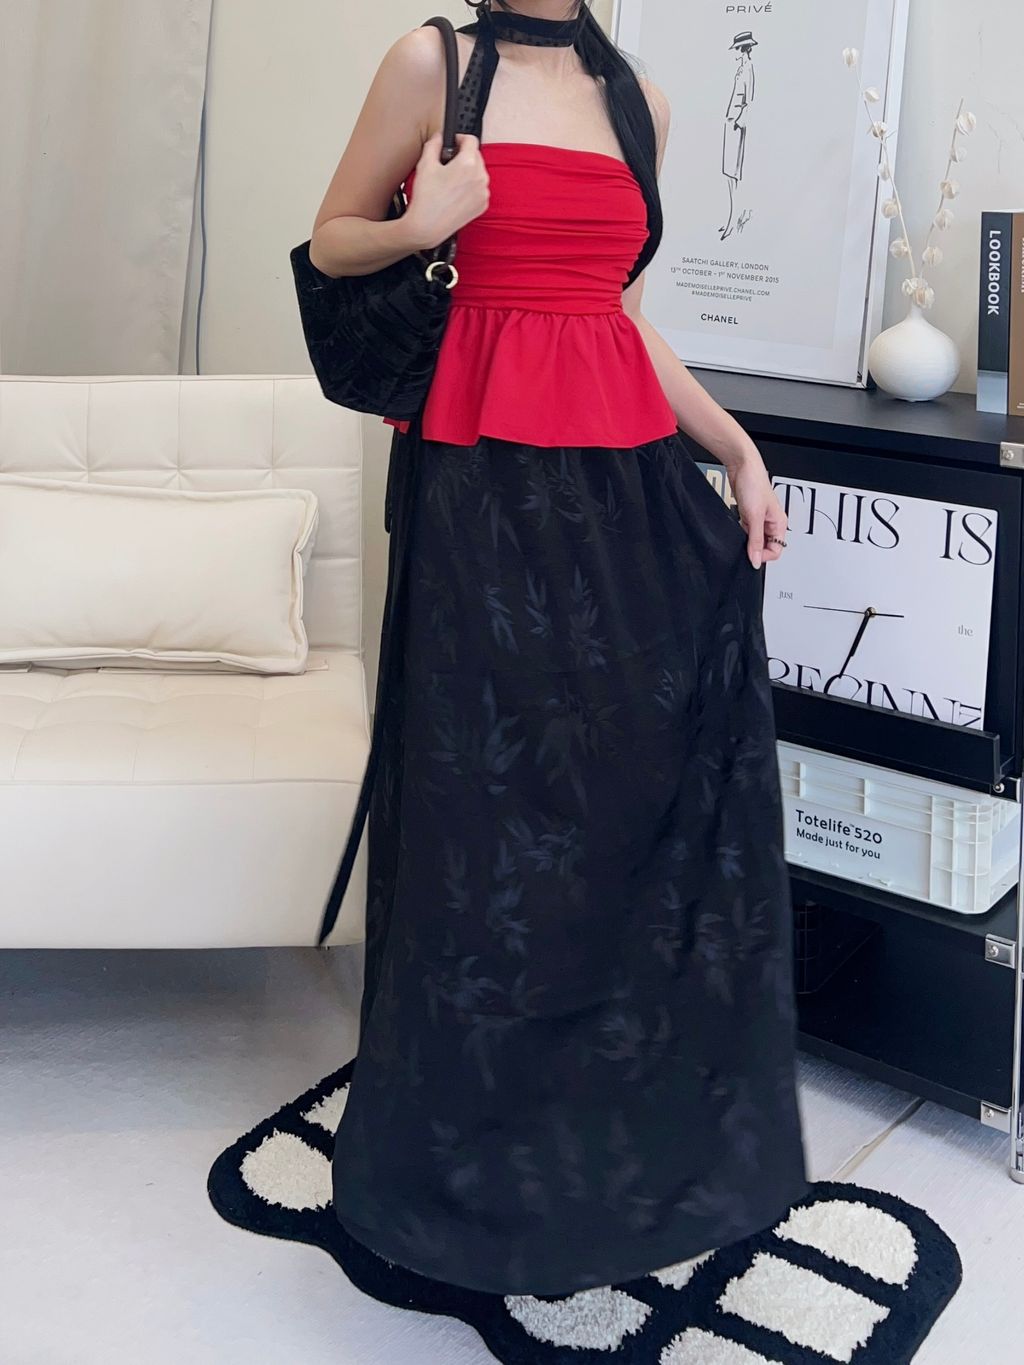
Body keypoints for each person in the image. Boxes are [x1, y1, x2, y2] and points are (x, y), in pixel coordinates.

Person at [307, 0, 807, 1298]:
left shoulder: (644, 101)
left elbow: (621, 319)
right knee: (480, 826)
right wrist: (421, 225)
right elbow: (333, 237)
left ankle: (594, 1137)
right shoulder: (433, 61)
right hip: (478, 492)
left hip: (622, 497)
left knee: (611, 810)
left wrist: (738, 449)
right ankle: (456, 1165)